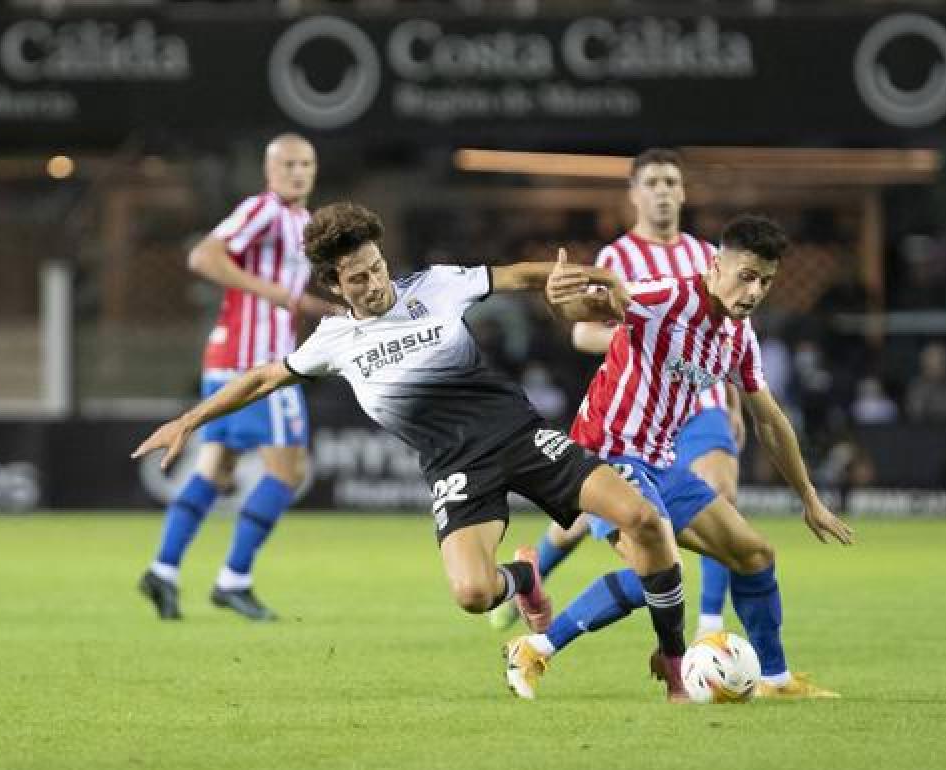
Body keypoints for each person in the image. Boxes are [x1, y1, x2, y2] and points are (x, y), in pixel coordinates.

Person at [132, 202, 691, 679]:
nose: (374, 284)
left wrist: (585, 275)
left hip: (522, 437)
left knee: (642, 519)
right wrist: (189, 421)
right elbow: (261, 378)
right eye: (358, 279)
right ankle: (525, 577)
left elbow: (518, 274)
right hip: (456, 470)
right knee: (472, 595)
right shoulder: (334, 341)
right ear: (333, 284)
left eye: (376, 268)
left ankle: (673, 657)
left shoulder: (437, 285)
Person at [504, 215, 854, 701]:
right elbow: (595, 307)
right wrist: (564, 298)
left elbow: (769, 420)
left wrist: (809, 497)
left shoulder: (738, 336)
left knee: (754, 556)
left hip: (660, 462)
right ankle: (536, 647)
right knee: (661, 568)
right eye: (746, 276)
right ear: (715, 266)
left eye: (766, 282)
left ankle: (775, 680)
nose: (754, 291)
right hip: (603, 457)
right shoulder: (666, 297)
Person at [491, 148, 743, 639]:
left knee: (721, 494)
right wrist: (652, 343)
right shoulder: (616, 259)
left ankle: (709, 630)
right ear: (634, 194)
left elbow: (726, 332)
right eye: (652, 183)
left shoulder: (707, 256)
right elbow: (584, 334)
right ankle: (531, 579)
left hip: (698, 403)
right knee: (586, 515)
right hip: (636, 411)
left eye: (671, 182)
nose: (663, 192)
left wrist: (732, 401)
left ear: (684, 191)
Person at [137, 134, 338, 622]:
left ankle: (162, 570)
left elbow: (287, 291)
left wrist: (310, 304)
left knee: (218, 467)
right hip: (260, 364)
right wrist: (280, 297)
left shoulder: (303, 222)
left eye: (306, 164)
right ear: (270, 171)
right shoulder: (263, 210)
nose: (298, 172)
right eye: (288, 164)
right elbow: (203, 257)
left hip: (228, 358)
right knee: (287, 470)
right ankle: (234, 580)